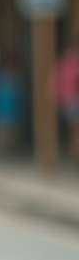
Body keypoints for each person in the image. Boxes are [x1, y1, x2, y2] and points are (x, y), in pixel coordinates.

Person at [57, 32, 79, 164]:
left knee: (74, 132)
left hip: (69, 101)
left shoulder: (65, 60)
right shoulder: (70, 60)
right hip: (73, 101)